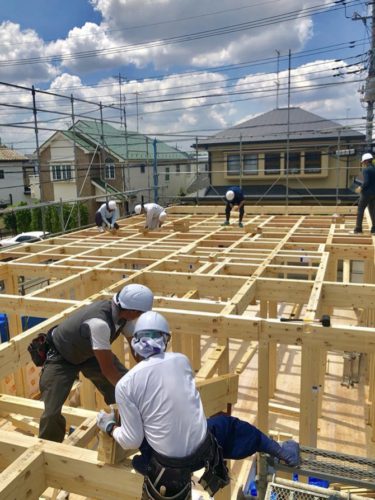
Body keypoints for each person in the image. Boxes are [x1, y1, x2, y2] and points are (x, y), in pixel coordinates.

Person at [97, 311, 300, 500]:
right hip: (204, 451)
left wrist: (109, 426)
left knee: (143, 434)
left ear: (134, 346)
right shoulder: (182, 361)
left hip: (168, 467)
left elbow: (130, 440)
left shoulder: (126, 384)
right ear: (166, 340)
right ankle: (282, 451)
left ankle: (147, 464)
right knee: (230, 426)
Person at [39, 283, 153, 443]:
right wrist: (128, 393)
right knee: (51, 412)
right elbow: (108, 370)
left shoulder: (124, 317)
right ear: (133, 310)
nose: (141, 316)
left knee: (121, 387)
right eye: (141, 313)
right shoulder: (100, 324)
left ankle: (124, 429)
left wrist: (151, 368)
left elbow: (136, 350)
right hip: (62, 356)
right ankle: (50, 450)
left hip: (90, 352)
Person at [353, 153, 375, 234]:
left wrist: (360, 187)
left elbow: (366, 181)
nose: (363, 164)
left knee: (360, 210)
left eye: (363, 162)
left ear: (366, 161)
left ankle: (358, 229)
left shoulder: (365, 170)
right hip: (374, 194)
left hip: (366, 194)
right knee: (373, 211)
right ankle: (374, 229)